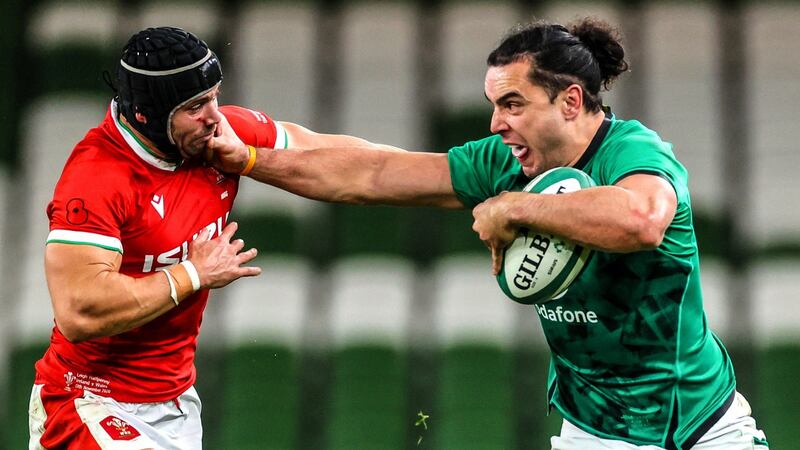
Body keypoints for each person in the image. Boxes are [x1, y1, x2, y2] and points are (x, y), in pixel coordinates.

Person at [208, 18, 769, 450]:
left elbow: (641, 221)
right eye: (494, 105)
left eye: (513, 104)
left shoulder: (631, 151)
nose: (497, 123)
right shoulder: (507, 163)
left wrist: (516, 210)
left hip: (697, 426)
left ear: (571, 101)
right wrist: (253, 157)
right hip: (593, 430)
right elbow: (372, 173)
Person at [29, 26, 394, 449]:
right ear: (149, 112)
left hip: (176, 402)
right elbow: (78, 313)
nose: (215, 115)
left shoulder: (217, 137)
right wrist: (190, 274)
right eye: (196, 105)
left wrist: (465, 172)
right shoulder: (96, 177)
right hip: (88, 401)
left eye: (215, 96)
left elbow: (347, 160)